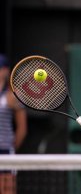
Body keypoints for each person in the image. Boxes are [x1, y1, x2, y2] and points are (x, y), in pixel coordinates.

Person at [0, 54, 28, 194]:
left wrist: (11, 146)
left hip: (5, 150)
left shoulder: (13, 95)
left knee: (7, 190)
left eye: (1, 68)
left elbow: (22, 129)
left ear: (6, 71)